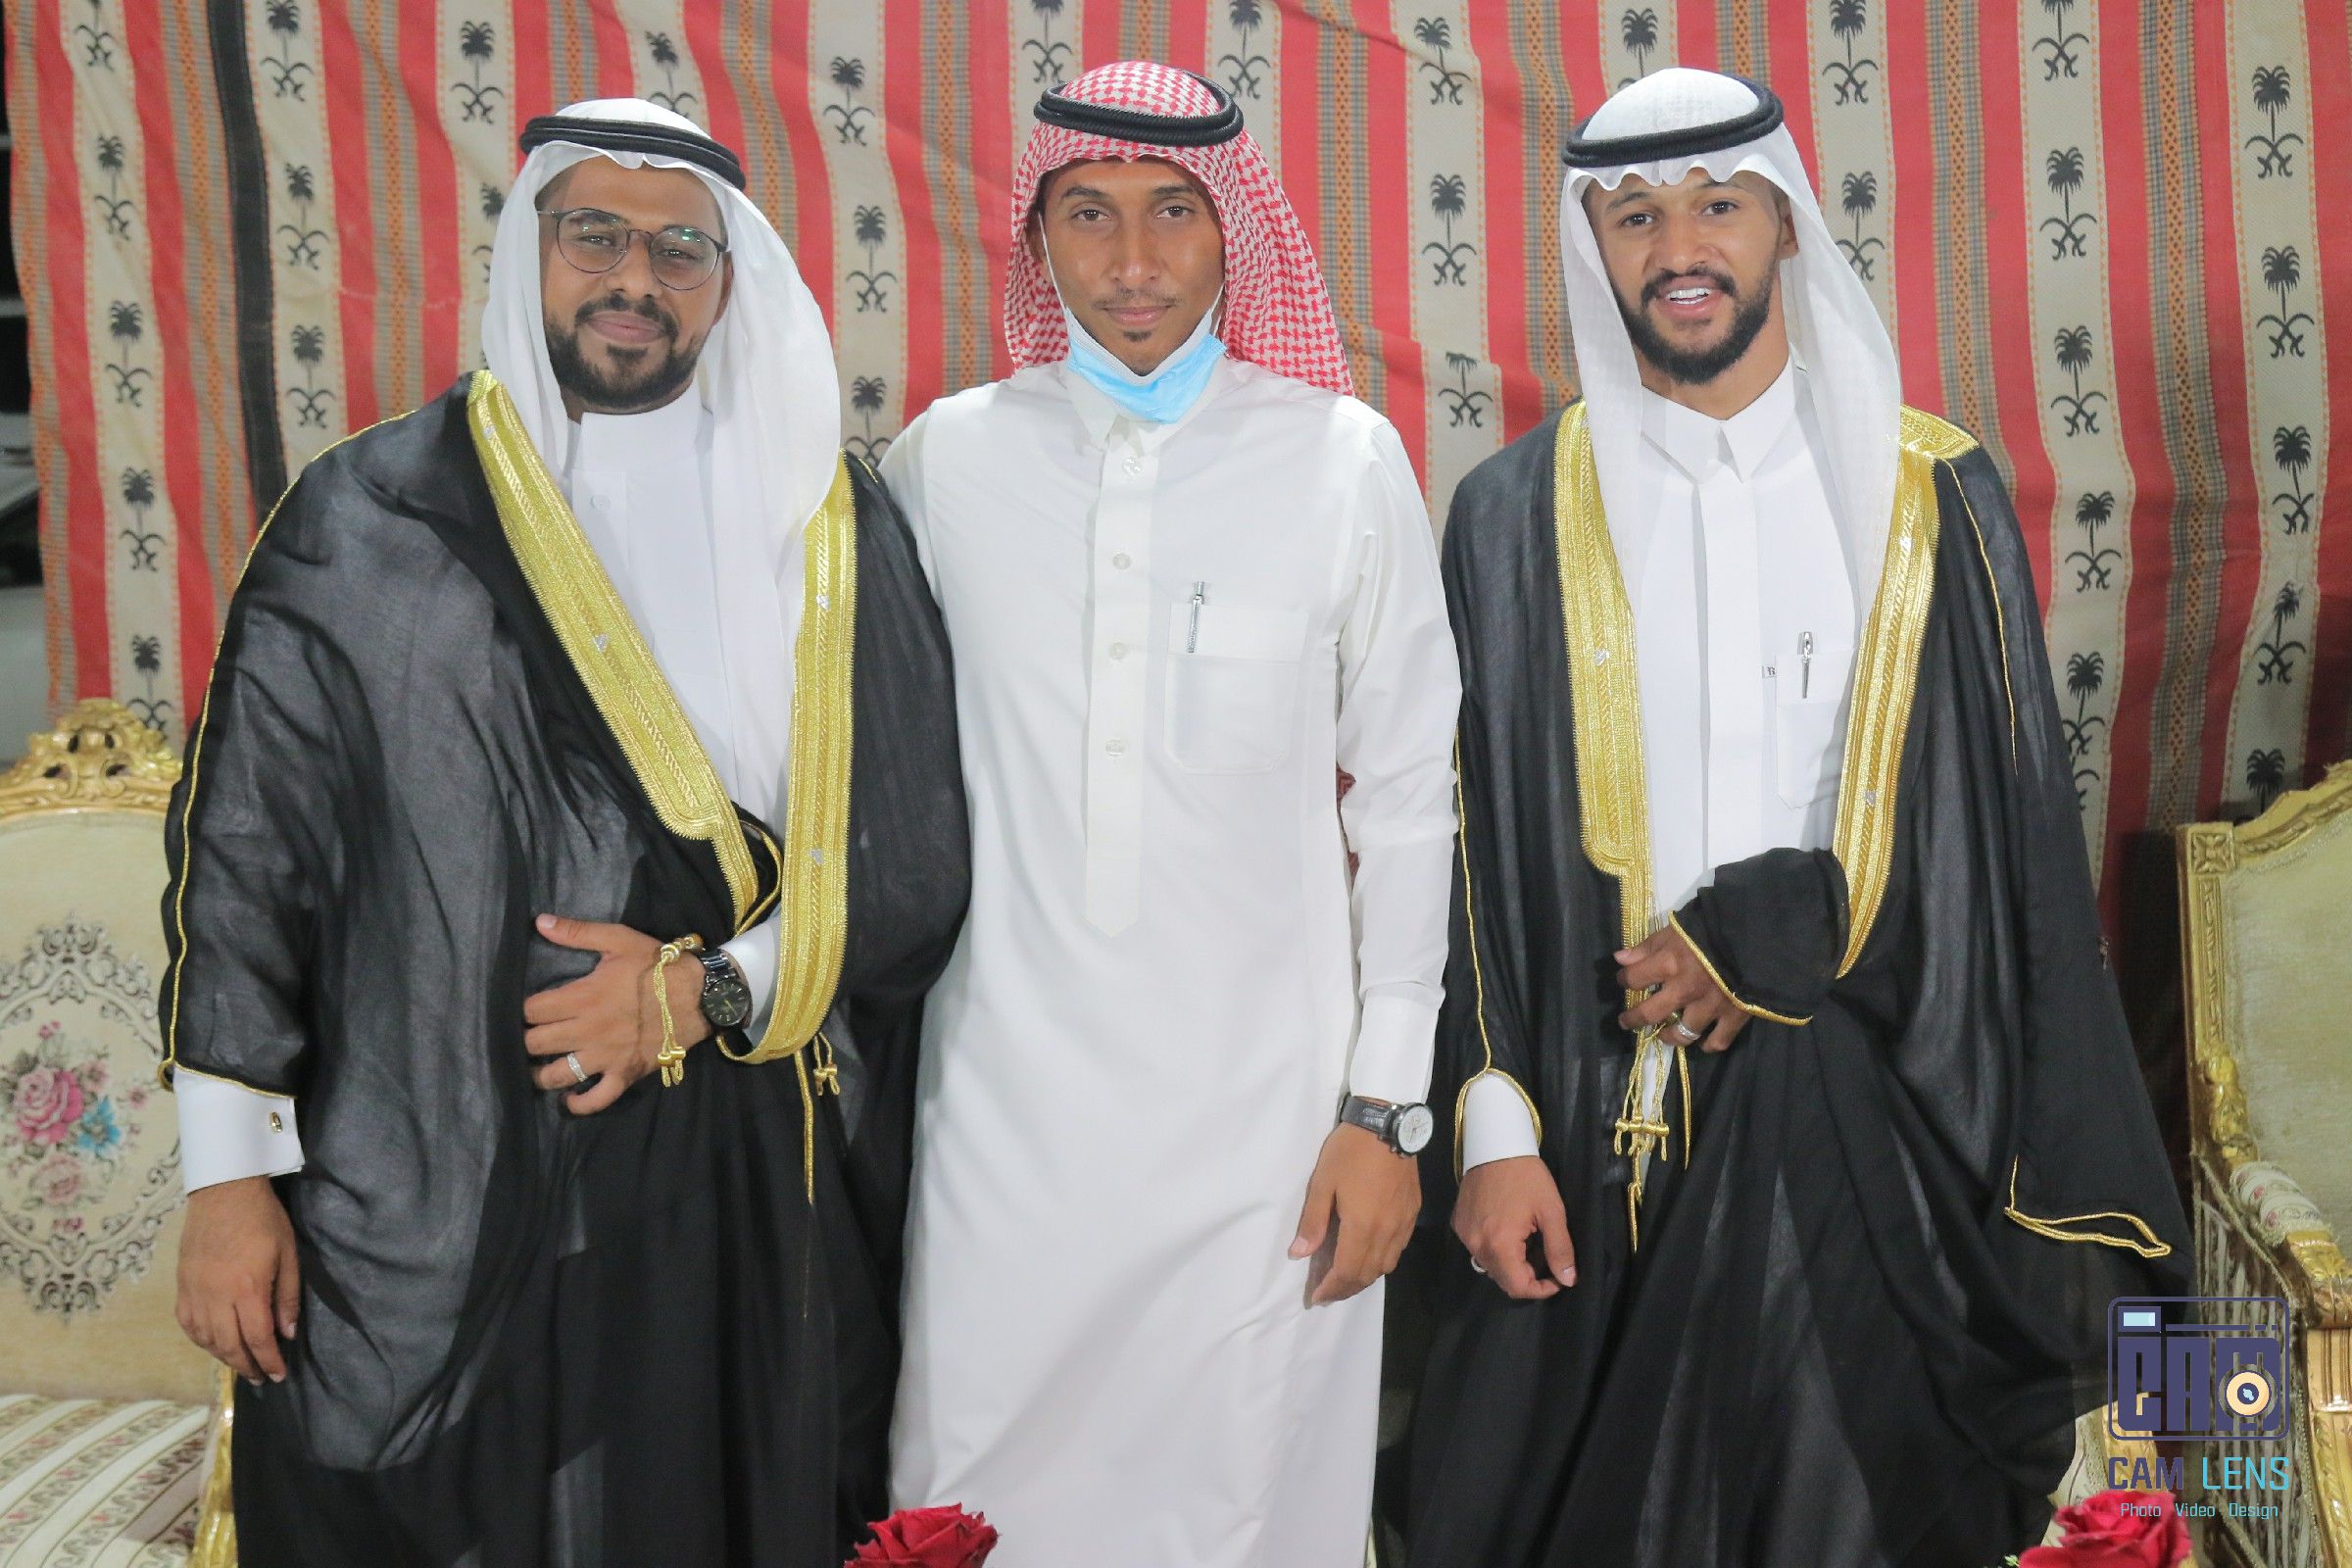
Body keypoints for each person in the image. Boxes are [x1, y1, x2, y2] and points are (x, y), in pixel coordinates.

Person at [163, 99, 967, 1567]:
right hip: (444, 1149)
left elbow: (911, 854)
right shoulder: (372, 519)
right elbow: (248, 867)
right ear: (530, 246)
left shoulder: (828, 521)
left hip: (743, 1172)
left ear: (728, 281)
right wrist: (226, 1180)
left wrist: (702, 991)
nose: (634, 280)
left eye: (679, 251)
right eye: (595, 235)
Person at [1403, 68, 2188, 1567]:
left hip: (1878, 1103)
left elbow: (2003, 836)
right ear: (1594, 247)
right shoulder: (1512, 513)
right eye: (1635, 216)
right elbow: (1465, 850)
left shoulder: (1928, 491)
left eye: (1718, 204)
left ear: (1784, 224)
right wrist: (1492, 1129)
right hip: (1593, 1116)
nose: (1679, 246)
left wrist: (1768, 928)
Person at [882, 62, 1458, 1568]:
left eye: (1172, 213)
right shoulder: (945, 463)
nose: (1132, 261)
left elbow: (1413, 800)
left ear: (1233, 233)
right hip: (1002, 1120)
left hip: (1270, 1132)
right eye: (1089, 214)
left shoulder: (1341, 461)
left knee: (1244, 1510)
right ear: (1038, 237)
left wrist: (1384, 1112)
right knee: (977, 1503)